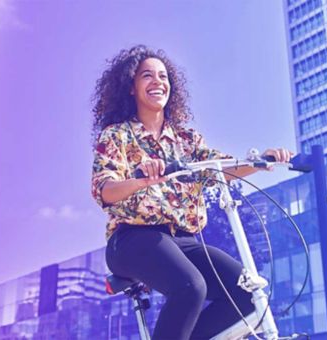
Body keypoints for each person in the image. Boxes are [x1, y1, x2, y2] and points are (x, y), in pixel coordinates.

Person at [91, 45, 293, 340]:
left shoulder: (186, 139)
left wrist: (261, 161)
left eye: (163, 76)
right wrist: (140, 181)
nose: (157, 81)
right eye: (147, 75)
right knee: (191, 286)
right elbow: (104, 190)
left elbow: (219, 168)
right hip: (132, 238)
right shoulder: (117, 135)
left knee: (247, 294)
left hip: (182, 240)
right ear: (131, 87)